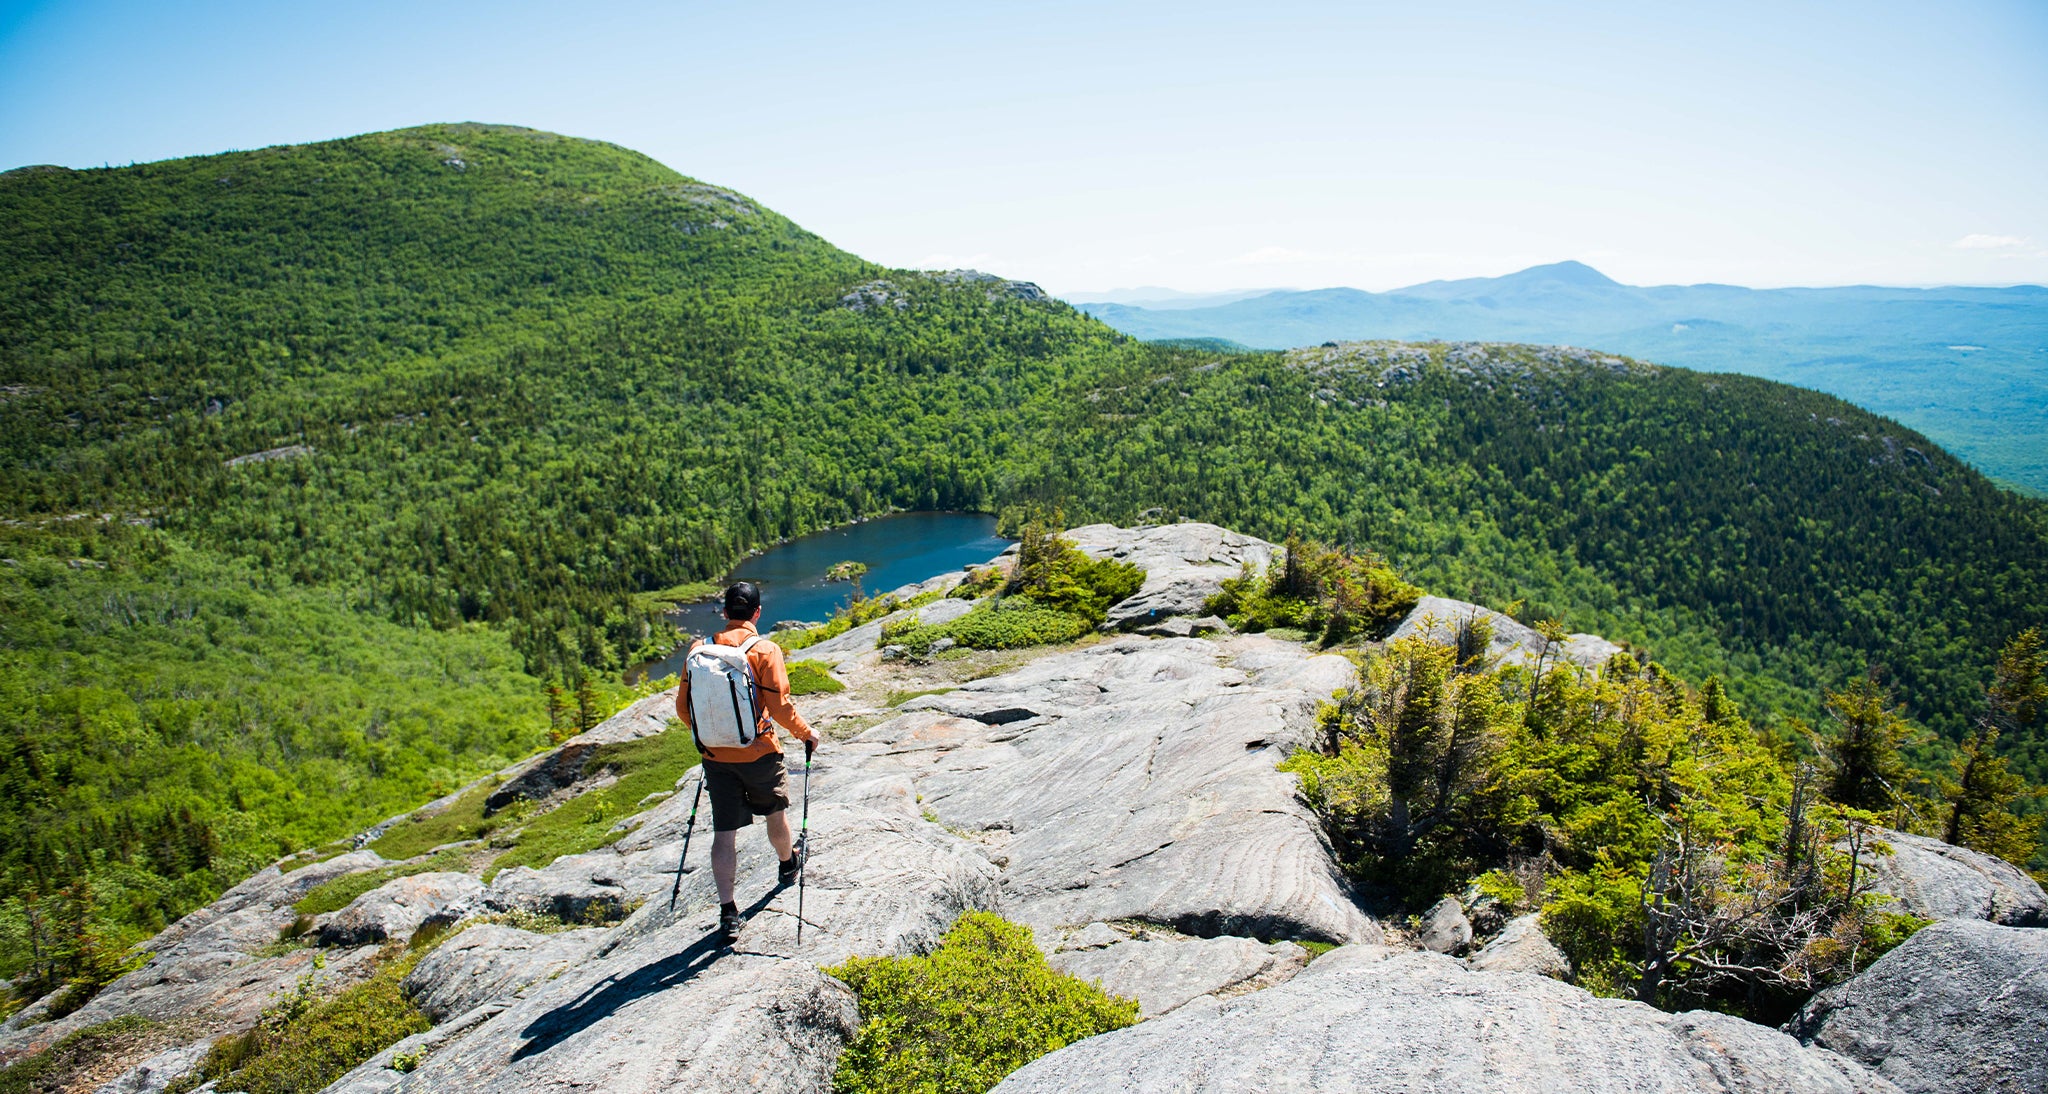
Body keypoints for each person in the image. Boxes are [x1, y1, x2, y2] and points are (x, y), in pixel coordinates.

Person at [675, 581, 821, 943]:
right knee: (775, 813)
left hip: (715, 757)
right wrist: (806, 734)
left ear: (724, 613)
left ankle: (728, 911)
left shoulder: (698, 650)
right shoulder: (765, 650)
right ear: (757, 613)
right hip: (759, 753)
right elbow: (780, 708)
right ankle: (788, 866)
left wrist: (714, 734)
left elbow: (683, 708)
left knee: (725, 833)